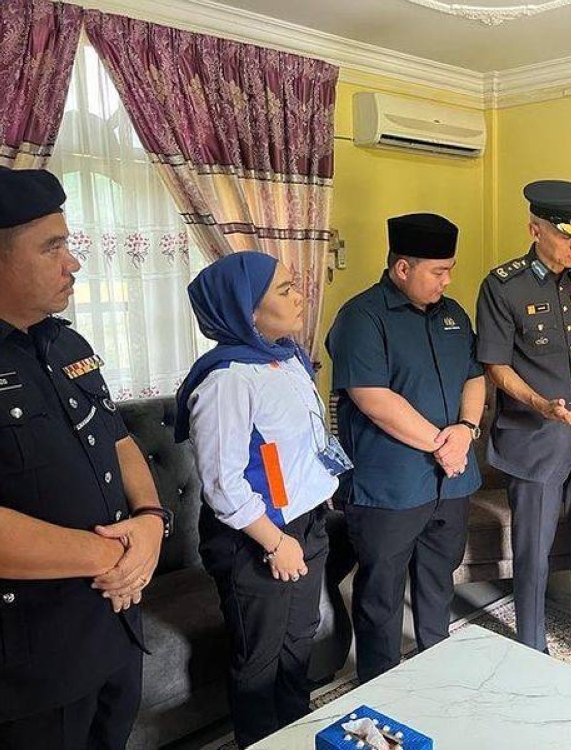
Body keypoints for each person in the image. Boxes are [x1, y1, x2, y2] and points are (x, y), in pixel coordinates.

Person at [0, 166, 167, 749]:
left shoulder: (64, 342)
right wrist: (114, 552)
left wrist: (149, 521)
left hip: (114, 624)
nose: (74, 262)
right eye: (53, 247)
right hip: (32, 660)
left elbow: (118, 440)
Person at [176, 252, 341, 748]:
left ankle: (292, 733)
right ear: (247, 310)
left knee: (298, 644)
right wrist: (275, 542)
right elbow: (223, 484)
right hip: (258, 537)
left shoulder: (284, 357)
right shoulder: (227, 378)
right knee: (260, 659)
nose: (300, 295)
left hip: (304, 524)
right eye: (285, 290)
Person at [476, 180, 571, 662]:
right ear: (534, 229)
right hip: (534, 438)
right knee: (533, 547)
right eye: (568, 238)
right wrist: (540, 403)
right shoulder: (504, 286)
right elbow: (496, 366)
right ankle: (531, 641)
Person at [327, 213, 485, 683]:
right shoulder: (361, 317)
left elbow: (474, 378)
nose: (447, 280)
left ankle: (436, 666)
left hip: (450, 480)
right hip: (389, 487)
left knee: (438, 578)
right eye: (438, 271)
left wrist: (466, 428)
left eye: (449, 269)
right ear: (402, 268)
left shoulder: (453, 314)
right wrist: (444, 443)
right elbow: (373, 398)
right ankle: (380, 685)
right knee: (381, 593)